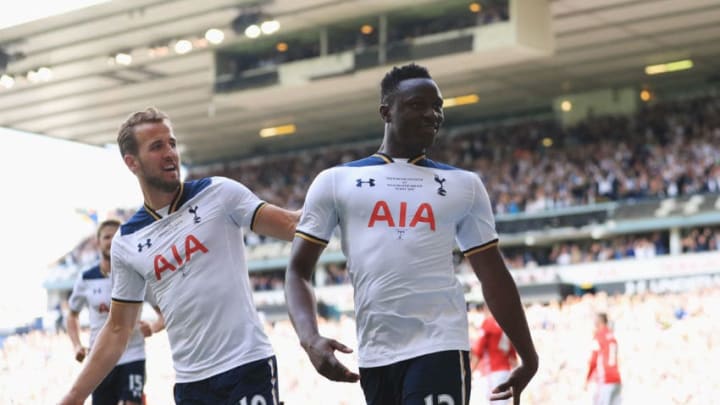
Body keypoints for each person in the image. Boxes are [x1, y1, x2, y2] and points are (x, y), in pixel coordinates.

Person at [284, 63, 538, 405]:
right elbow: (298, 270)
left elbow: (492, 274)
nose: (433, 114)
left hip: (440, 345)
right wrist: (309, 338)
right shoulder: (335, 181)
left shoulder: (464, 185)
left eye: (438, 107)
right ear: (386, 112)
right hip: (375, 355)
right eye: (418, 105)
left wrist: (528, 354)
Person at [60, 107, 300, 405]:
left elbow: (293, 225)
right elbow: (118, 328)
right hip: (191, 384)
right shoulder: (127, 241)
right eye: (157, 146)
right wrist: (74, 395)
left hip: (247, 366)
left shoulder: (219, 193)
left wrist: (343, 196)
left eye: (172, 143)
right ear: (131, 162)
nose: (170, 153)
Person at [66, 219, 165, 405]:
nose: (111, 241)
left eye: (116, 236)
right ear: (98, 242)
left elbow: (164, 313)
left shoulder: (137, 273)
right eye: (106, 237)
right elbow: (72, 314)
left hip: (133, 353)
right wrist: (76, 345)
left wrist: (153, 327)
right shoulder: (86, 278)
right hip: (100, 356)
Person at [470, 304, 518, 405]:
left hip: (492, 372)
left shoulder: (488, 323)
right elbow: (513, 359)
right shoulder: (507, 326)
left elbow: (478, 351)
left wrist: (469, 373)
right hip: (506, 372)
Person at [585, 312, 622, 405]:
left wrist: (587, 378)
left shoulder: (599, 336)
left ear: (599, 322)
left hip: (605, 380)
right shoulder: (612, 335)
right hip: (616, 379)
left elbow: (593, 360)